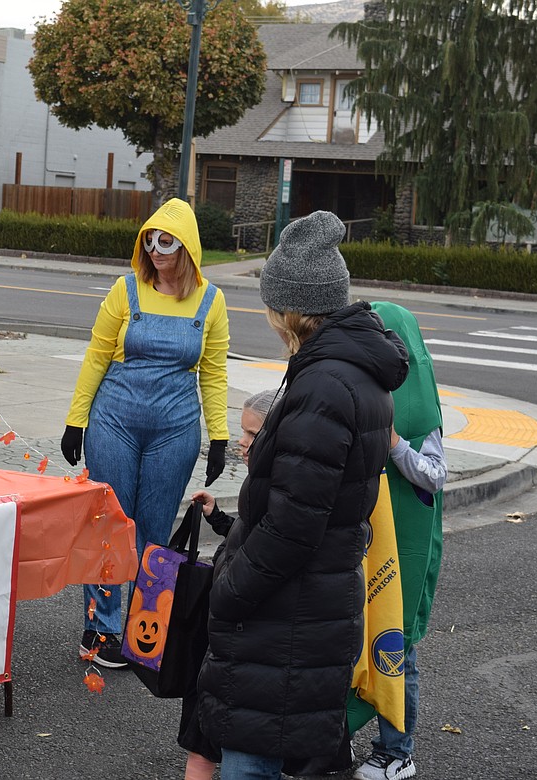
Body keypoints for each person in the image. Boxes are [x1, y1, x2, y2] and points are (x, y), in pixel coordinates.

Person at [196, 210, 409, 780]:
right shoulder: (349, 370)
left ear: (291, 309)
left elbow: (293, 523)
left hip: (286, 608)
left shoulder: (323, 383)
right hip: (314, 599)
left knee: (253, 754)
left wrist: (230, 591)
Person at [60, 197, 230, 668]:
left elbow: (213, 374)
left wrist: (219, 436)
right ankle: (101, 629)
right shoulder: (125, 290)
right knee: (113, 523)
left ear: (187, 248)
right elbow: (96, 355)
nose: (155, 250)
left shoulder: (211, 301)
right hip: (114, 420)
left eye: (166, 241)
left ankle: (145, 630)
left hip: (174, 429)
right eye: (149, 240)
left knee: (155, 530)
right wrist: (77, 421)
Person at [350, 301, 447, 780]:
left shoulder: (421, 408)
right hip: (360, 543)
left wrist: (393, 444)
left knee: (395, 644)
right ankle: (334, 737)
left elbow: (434, 475)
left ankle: (398, 751)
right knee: (348, 637)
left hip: (402, 550)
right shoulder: (357, 388)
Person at [180, 388, 279, 780]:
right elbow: (243, 536)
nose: (241, 442)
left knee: (206, 745)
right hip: (224, 639)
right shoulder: (264, 484)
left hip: (233, 637)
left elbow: (255, 555)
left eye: (252, 434)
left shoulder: (276, 493)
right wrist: (218, 516)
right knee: (203, 743)